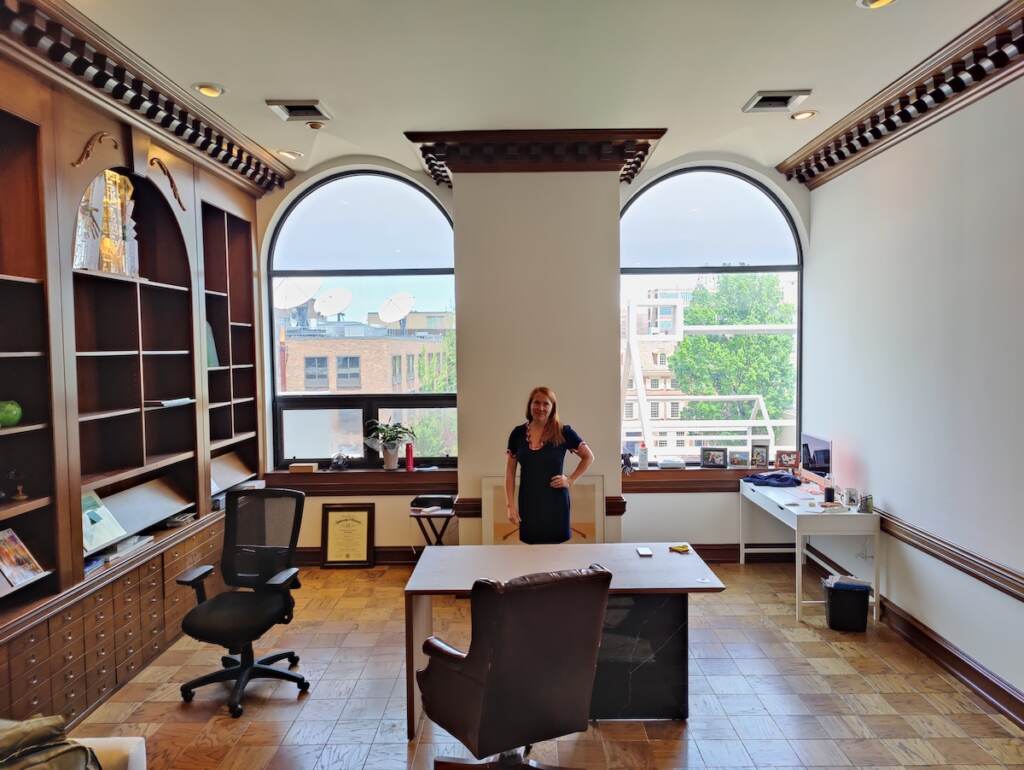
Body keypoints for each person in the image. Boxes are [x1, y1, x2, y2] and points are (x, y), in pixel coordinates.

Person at [505, 386, 594, 544]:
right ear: (530, 405)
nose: (540, 407)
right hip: (528, 503)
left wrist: (570, 480)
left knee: (557, 555)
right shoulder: (517, 434)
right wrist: (510, 506)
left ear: (552, 408)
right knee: (530, 555)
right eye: (536, 402)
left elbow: (588, 457)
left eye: (546, 404)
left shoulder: (563, 432)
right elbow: (510, 472)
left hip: (556, 504)